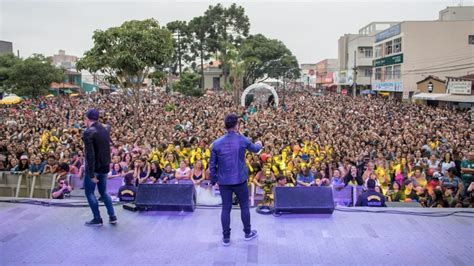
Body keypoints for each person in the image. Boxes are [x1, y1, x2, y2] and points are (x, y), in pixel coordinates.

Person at [210, 113, 262, 246]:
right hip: (240, 180)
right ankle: (247, 233)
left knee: (225, 208)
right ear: (237, 125)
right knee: (244, 206)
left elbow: (212, 165)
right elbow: (255, 150)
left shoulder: (216, 143)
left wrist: (214, 180)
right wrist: (259, 143)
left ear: (225, 126)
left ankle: (226, 238)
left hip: (224, 181)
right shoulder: (241, 139)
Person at [82, 109, 117, 226]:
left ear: (87, 118)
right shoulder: (106, 128)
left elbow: (90, 155)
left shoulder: (88, 132)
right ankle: (112, 216)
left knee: (89, 192)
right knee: (103, 192)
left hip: (95, 167)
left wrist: (91, 174)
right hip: (105, 166)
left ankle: (97, 218)